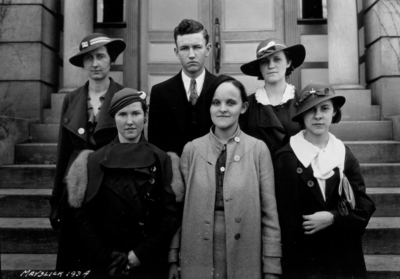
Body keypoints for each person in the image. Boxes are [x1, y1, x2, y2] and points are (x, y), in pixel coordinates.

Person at [169, 75, 282, 279]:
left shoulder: (258, 150)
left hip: (245, 255)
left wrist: (271, 266)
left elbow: (270, 213)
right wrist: (173, 258)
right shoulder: (192, 150)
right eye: (216, 103)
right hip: (196, 254)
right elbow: (177, 210)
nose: (222, 109)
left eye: (231, 103)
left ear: (244, 107)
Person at [66, 88, 179, 278]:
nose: (129, 122)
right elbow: (83, 216)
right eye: (122, 114)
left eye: (136, 113)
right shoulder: (93, 160)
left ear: (145, 116)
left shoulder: (162, 159)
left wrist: (140, 254)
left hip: (147, 261)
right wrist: (108, 257)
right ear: (113, 118)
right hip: (106, 263)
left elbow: (169, 215)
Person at [274, 82, 375, 278]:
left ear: (334, 113)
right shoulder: (286, 157)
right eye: (311, 110)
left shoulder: (343, 154)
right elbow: (282, 214)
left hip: (342, 258)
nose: (318, 115)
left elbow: (364, 204)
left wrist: (333, 218)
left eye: (324, 108)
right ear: (302, 115)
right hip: (303, 260)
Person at [49, 33, 126, 270]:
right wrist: (55, 199)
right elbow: (64, 151)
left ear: (110, 60)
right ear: (82, 63)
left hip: (111, 185)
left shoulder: (124, 95)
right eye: (89, 58)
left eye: (100, 56)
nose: (95, 63)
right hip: (76, 186)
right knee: (75, 255)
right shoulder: (71, 99)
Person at [148, 19, 216, 156]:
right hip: (174, 172)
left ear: (207, 49)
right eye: (184, 48)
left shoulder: (220, 87)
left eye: (197, 47)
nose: (191, 55)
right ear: (176, 52)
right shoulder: (160, 92)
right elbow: (156, 145)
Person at [239, 38, 306, 156]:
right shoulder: (247, 105)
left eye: (277, 59)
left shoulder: (302, 100)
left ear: (288, 63)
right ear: (259, 67)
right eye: (264, 62)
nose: (271, 66)